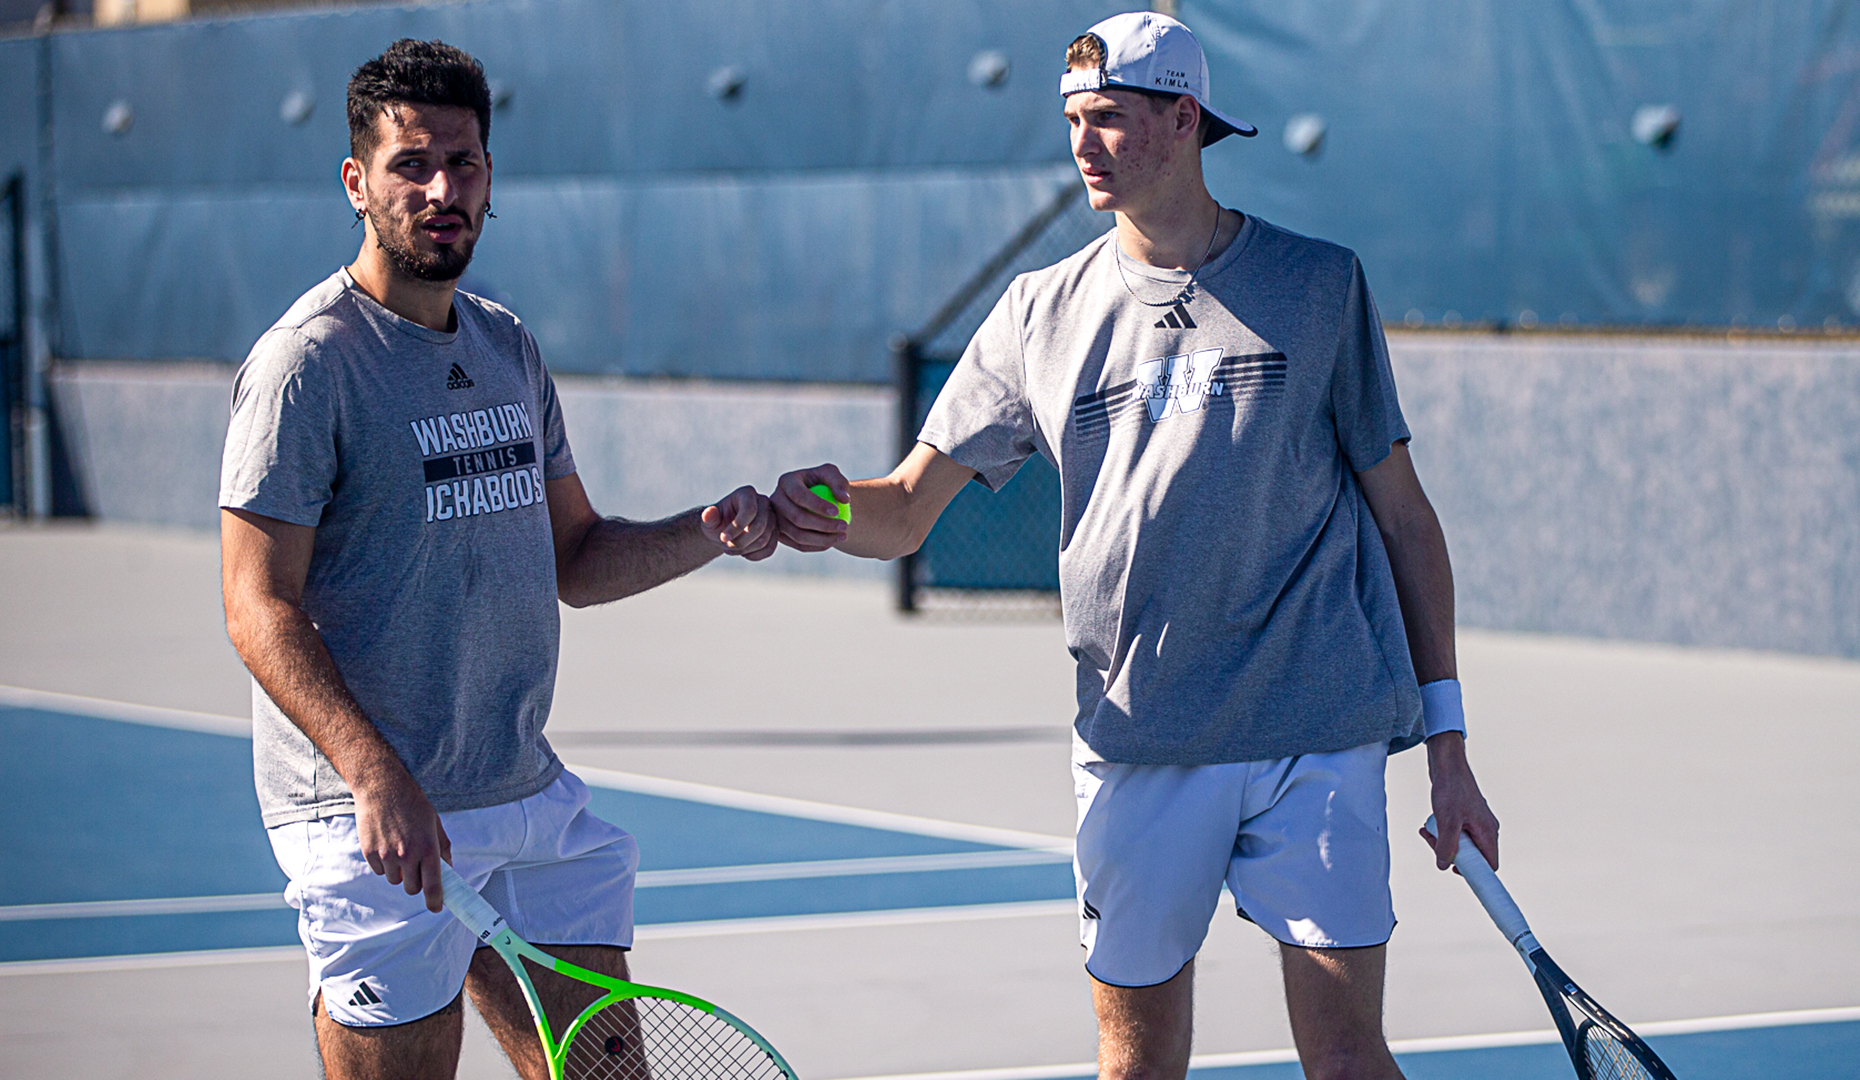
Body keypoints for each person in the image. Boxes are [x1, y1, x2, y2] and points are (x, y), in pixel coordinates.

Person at [771, 12, 1498, 1080]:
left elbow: (1405, 518)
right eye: (1073, 118)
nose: (1084, 142)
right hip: (1136, 738)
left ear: (1185, 118)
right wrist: (826, 512)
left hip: (1316, 731)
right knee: (1135, 1064)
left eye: (1109, 116)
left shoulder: (1320, 285)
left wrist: (1448, 742)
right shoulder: (1036, 312)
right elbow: (906, 510)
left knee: (1347, 1058)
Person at [217, 39, 776, 1080]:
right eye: (411, 165)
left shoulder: (505, 345)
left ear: (489, 174)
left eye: (463, 163)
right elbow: (257, 604)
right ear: (356, 182)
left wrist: (707, 529)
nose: (442, 191)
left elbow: (578, 556)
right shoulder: (308, 364)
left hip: (522, 794)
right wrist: (374, 773)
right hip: (371, 814)